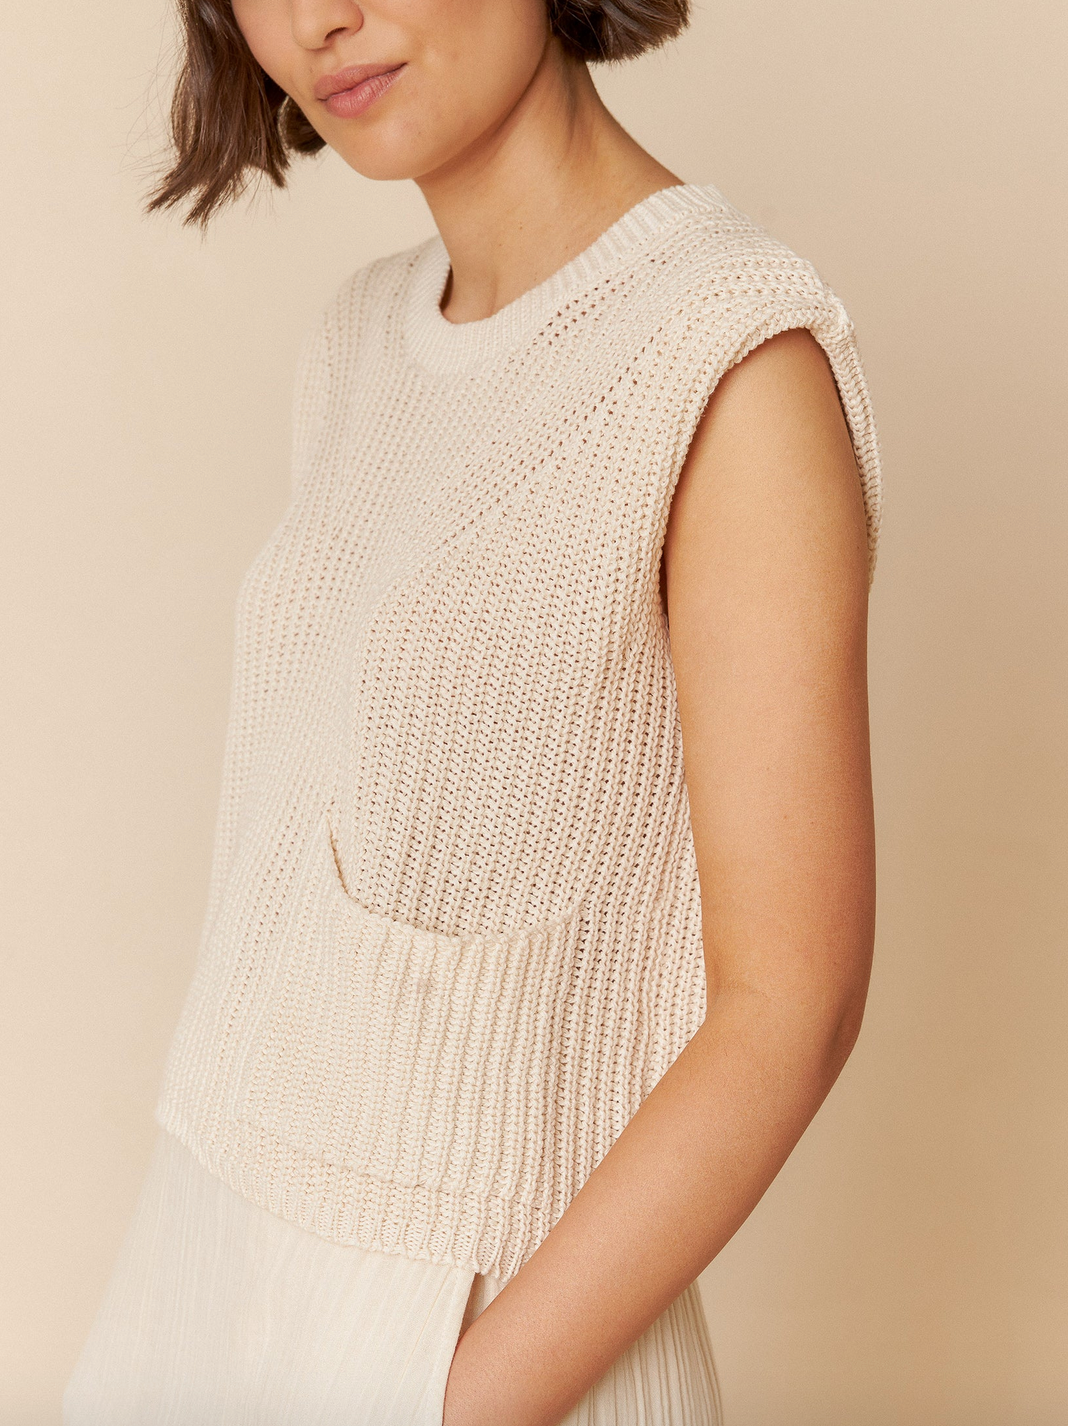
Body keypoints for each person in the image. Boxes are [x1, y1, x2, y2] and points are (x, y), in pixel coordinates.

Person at [63, 0, 882, 1421]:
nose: (322, 19)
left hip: (488, 1339)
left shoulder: (731, 359)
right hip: (205, 1269)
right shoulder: (359, 340)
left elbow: (787, 1005)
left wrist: (456, 1402)